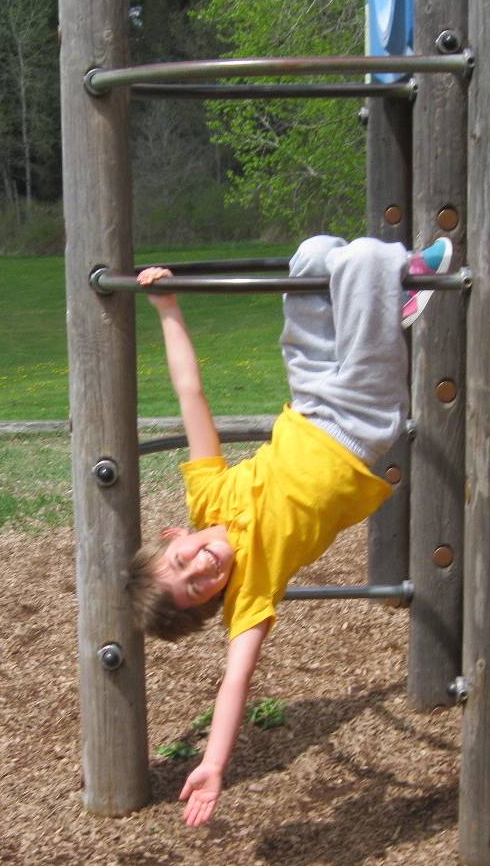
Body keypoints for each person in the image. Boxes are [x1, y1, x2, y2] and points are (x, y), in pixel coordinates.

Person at [128, 234, 453, 827]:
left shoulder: (208, 496)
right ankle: (397, 285)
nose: (202, 570)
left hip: (308, 402)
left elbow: (189, 394)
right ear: (213, 601)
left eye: (183, 562)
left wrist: (168, 309)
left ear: (177, 533)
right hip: (358, 424)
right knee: (359, 262)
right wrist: (214, 762)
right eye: (198, 589)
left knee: (311, 257)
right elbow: (235, 681)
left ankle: (380, 296)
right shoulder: (252, 589)